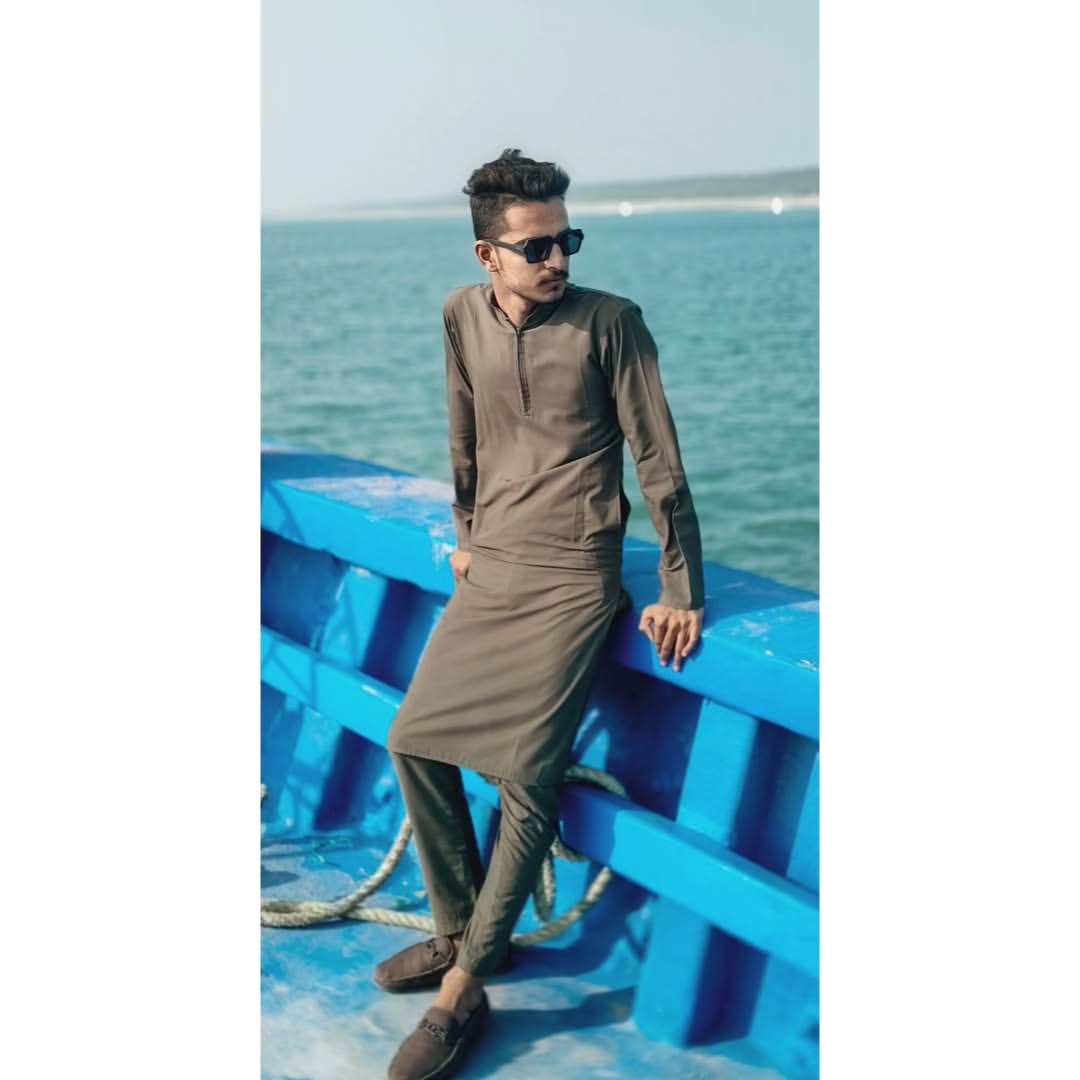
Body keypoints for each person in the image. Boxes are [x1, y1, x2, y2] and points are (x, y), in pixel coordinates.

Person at [378, 148, 706, 1080]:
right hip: (495, 564)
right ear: (488, 255)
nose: (557, 258)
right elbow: (465, 432)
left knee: (527, 777)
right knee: (414, 740)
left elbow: (660, 462)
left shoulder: (611, 323)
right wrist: (467, 533)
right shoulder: (460, 314)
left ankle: (462, 991)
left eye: (567, 239)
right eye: (536, 246)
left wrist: (680, 587)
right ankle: (461, 927)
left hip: (572, 574)